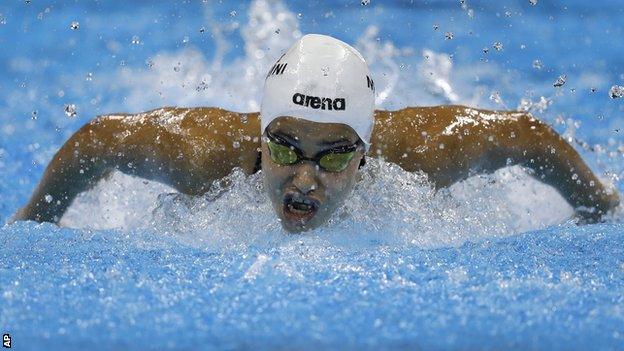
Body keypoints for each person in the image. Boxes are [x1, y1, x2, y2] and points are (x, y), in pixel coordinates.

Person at [12, 34, 619, 232]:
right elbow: (98, 140)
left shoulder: (420, 156)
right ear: (261, 136)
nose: (303, 178)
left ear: (364, 151)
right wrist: (33, 223)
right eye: (283, 148)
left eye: (333, 157)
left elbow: (525, 135)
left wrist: (603, 207)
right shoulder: (203, 156)